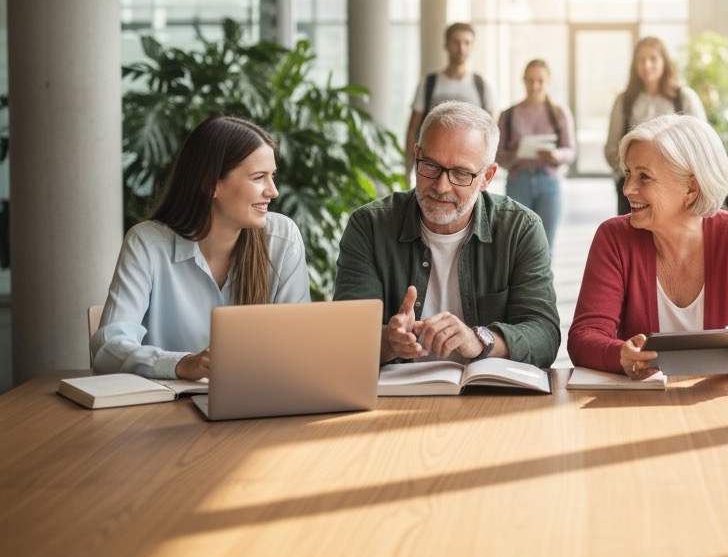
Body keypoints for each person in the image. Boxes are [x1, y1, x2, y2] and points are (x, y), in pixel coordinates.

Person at [569, 114, 728, 379]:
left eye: (644, 177)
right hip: (640, 406)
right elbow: (583, 338)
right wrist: (620, 354)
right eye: (629, 173)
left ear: (691, 187)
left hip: (723, 403)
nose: (627, 188)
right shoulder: (613, 237)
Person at [335, 100, 560, 368]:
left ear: (487, 176)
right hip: (396, 397)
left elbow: (545, 335)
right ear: (416, 155)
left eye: (461, 174)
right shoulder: (369, 226)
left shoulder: (520, 228)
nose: (441, 187)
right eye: (430, 166)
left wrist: (479, 340)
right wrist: (389, 341)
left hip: (487, 396)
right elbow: (345, 338)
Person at [91, 116, 311, 379]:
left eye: (272, 176)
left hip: (257, 404)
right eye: (258, 177)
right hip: (164, 413)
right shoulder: (147, 244)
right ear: (211, 184)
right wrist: (182, 364)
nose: (272, 191)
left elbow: (299, 345)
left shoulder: (282, 238)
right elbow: (108, 348)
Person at [604, 36, 706, 215]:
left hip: (674, 187)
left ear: (664, 62)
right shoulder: (624, 101)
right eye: (641, 60)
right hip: (631, 187)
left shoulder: (684, 98)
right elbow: (611, 147)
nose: (647, 65)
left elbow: (702, 144)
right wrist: (634, 171)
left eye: (653, 58)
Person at [496, 59, 577, 253]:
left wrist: (556, 155)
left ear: (548, 81)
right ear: (523, 81)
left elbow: (571, 151)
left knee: (545, 248)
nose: (535, 86)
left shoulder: (559, 113)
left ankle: (543, 284)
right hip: (518, 182)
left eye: (540, 80)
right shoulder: (509, 115)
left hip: (549, 183)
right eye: (530, 80)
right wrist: (514, 155)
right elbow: (497, 155)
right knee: (517, 246)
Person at [404, 22, 495, 187]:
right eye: (456, 42)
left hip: (466, 169)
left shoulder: (482, 85)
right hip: (433, 165)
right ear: (446, 44)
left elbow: (491, 134)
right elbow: (412, 129)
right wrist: (407, 171)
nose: (461, 48)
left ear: (472, 46)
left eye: (467, 43)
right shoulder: (429, 83)